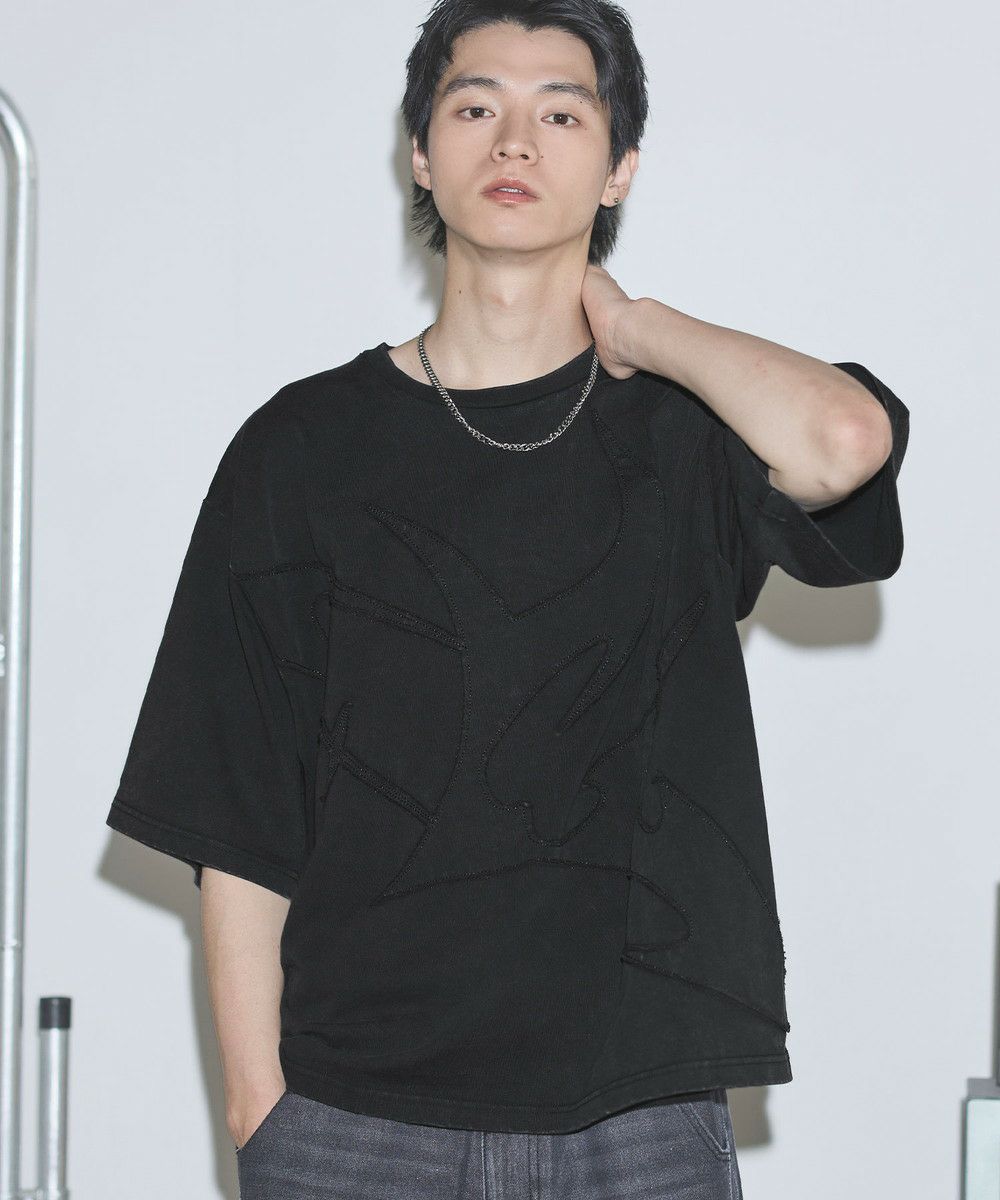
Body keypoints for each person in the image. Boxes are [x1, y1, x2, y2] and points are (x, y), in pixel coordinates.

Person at [104, 1, 909, 1196]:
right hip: (352, 1117)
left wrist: (638, 327)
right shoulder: (302, 449)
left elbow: (845, 442)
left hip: (638, 1115)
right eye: (475, 106)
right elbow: (235, 807)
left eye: (562, 113)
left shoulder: (688, 432)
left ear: (620, 166)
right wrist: (257, 1111)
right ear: (421, 155)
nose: (515, 141)